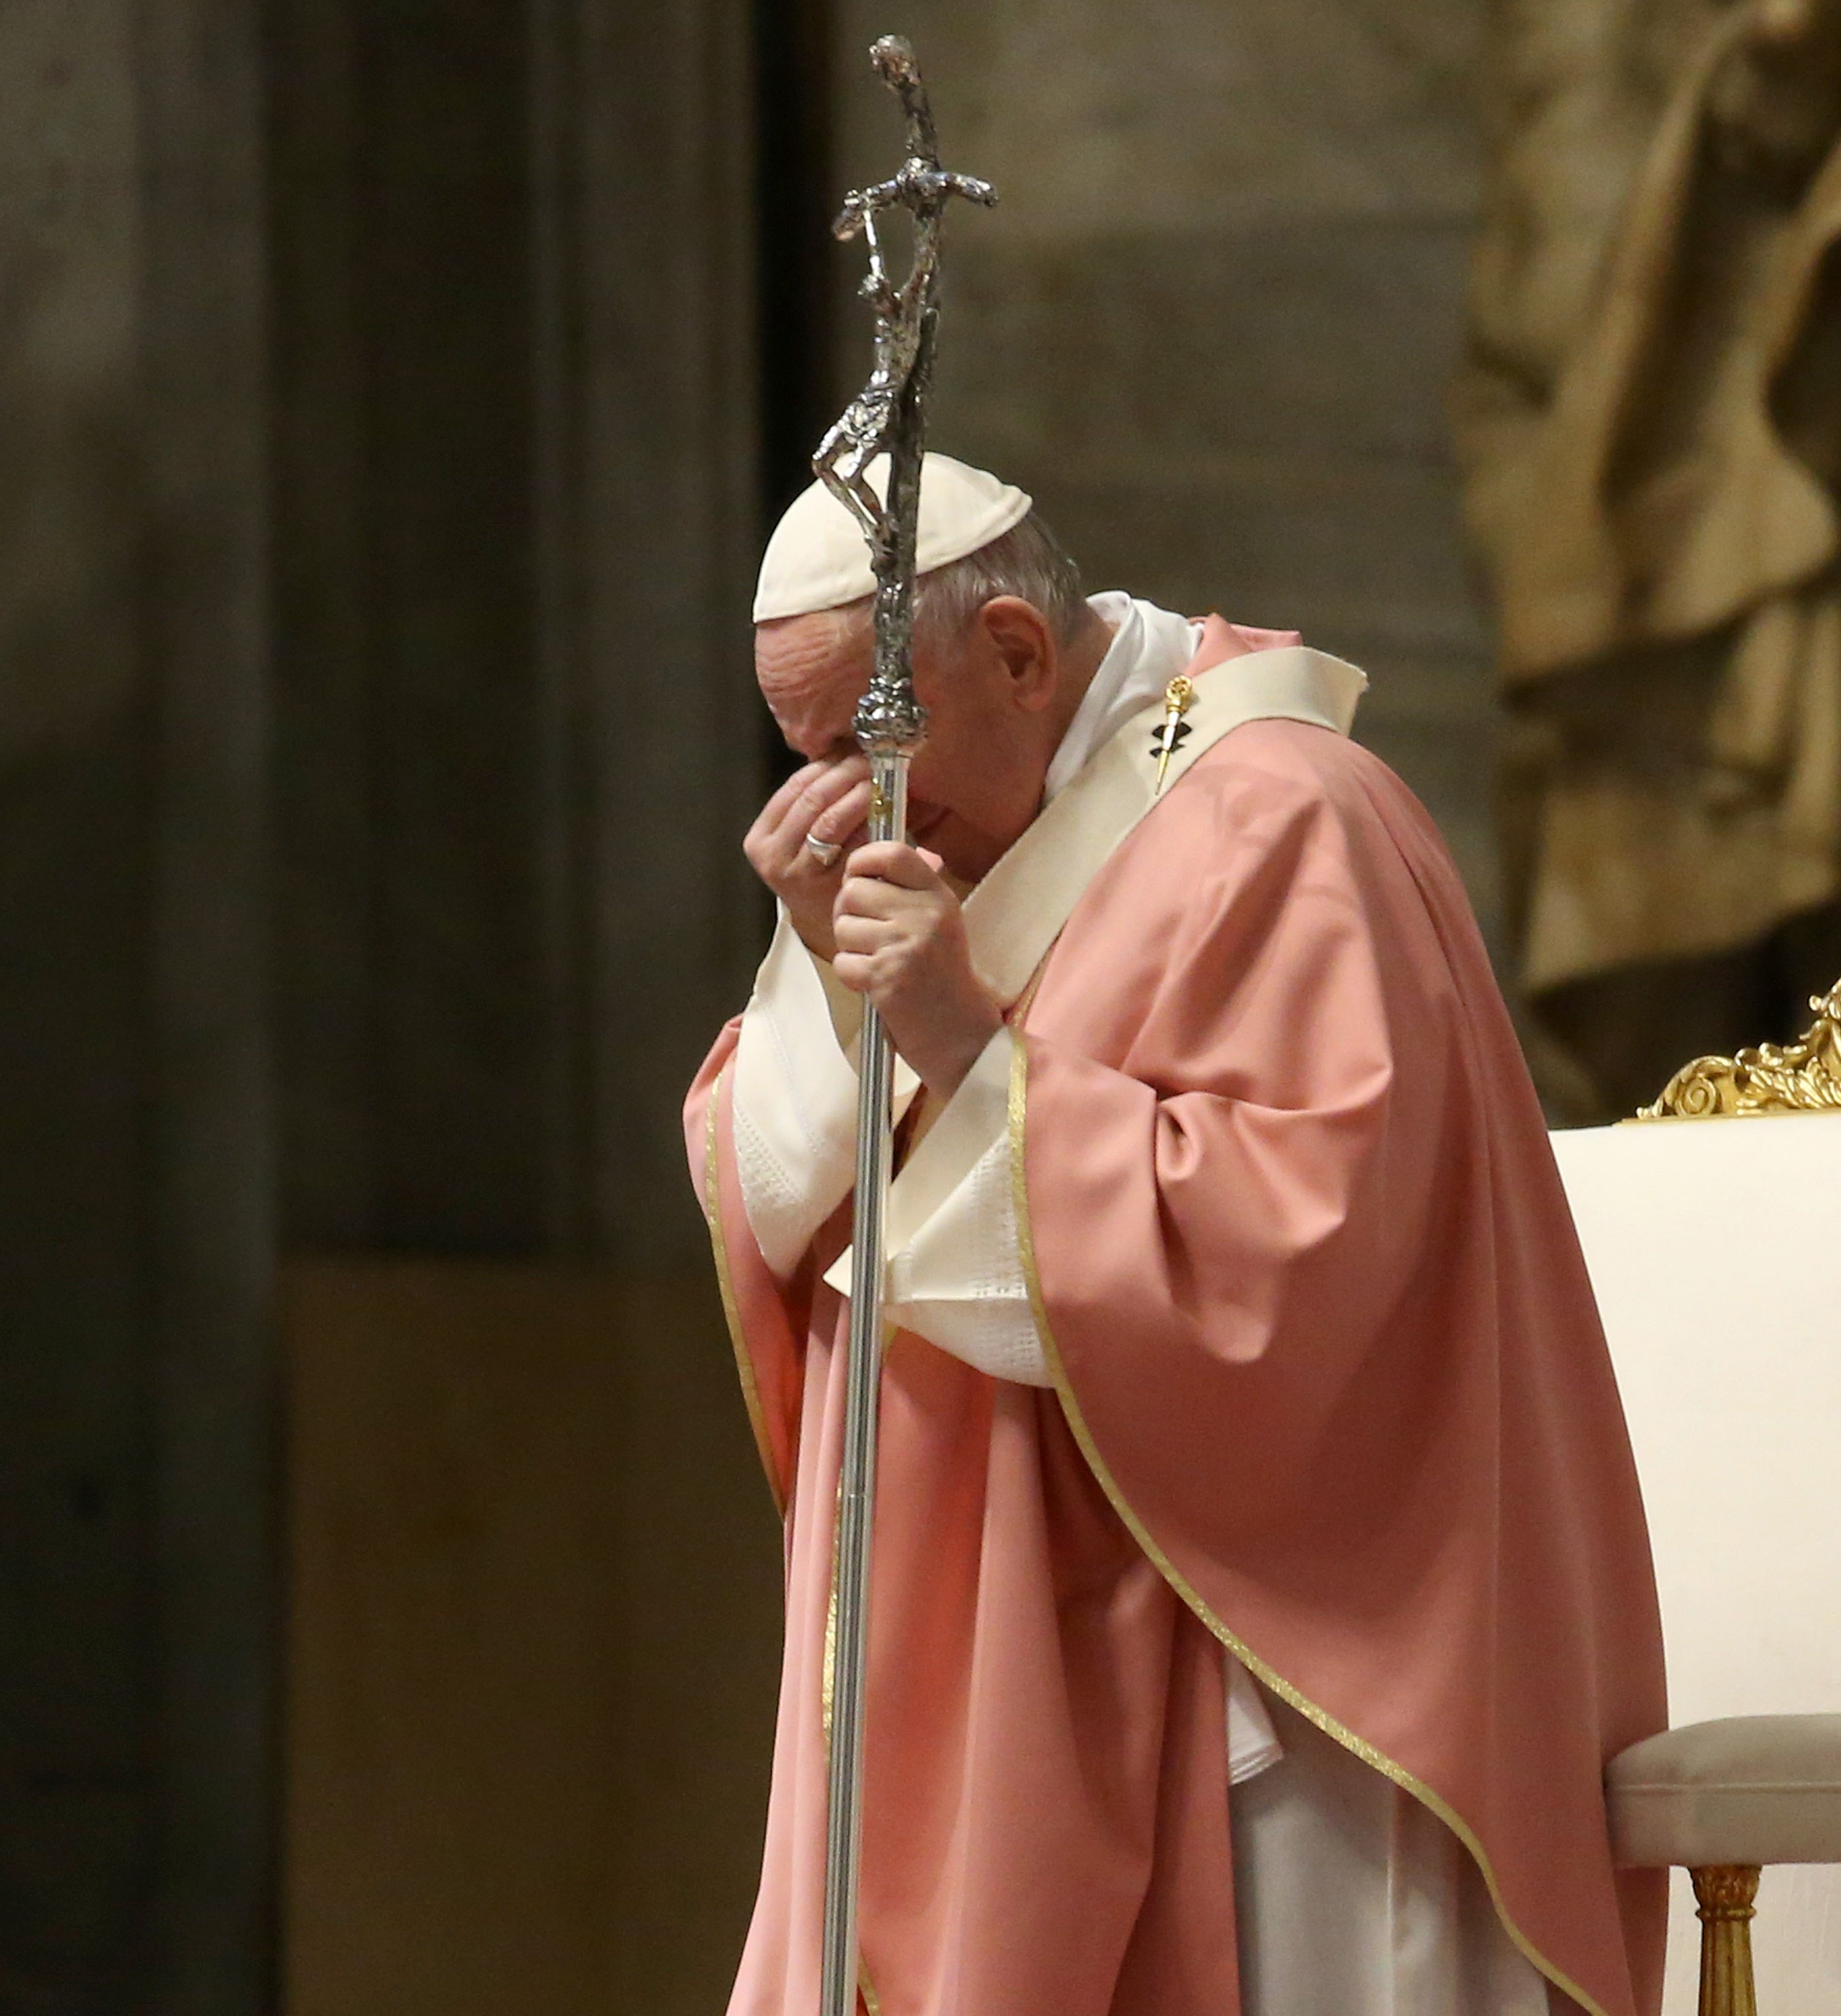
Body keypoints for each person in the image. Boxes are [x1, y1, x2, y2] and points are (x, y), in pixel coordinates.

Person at [684, 454, 1669, 2016]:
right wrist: (830, 980)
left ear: (1015, 652)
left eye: (868, 745)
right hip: (1009, 1625)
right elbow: (786, 1195)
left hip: (1270, 1666)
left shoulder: (1286, 817)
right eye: (802, 751)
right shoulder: (968, 838)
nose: (841, 801)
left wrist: (966, 1050)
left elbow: (1304, 1255)